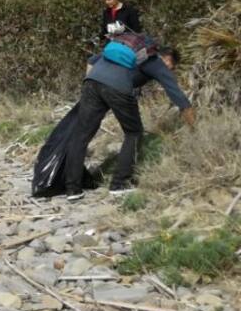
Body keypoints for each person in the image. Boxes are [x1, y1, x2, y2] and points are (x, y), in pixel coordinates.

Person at [64, 43, 195, 201]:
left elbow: (92, 60)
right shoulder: (156, 61)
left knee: (81, 135)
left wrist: (91, 89)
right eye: (171, 67)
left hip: (91, 82)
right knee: (134, 132)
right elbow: (179, 97)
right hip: (117, 86)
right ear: (167, 59)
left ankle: (72, 189)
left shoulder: (134, 51)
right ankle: (119, 184)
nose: (170, 70)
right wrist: (194, 128)